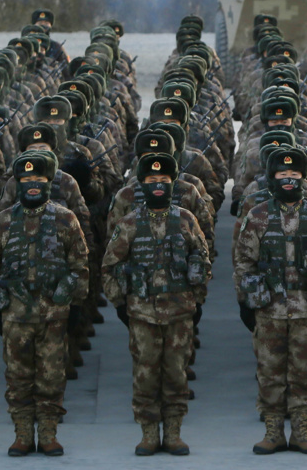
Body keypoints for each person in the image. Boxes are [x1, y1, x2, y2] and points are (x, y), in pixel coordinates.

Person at [233, 146, 307, 455]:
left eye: (294, 174)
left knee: (303, 372)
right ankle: (273, 432)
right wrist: (246, 302)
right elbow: (243, 262)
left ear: (303, 178)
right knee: (270, 372)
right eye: (282, 175)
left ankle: (301, 431)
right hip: (268, 310)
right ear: (272, 178)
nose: (288, 180)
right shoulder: (257, 216)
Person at [0, 151, 89, 457]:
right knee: (18, 378)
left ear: (48, 182)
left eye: (38, 179)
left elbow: (80, 265)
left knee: (51, 376)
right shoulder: (3, 222)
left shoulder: (65, 218)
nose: (32, 185)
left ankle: (49, 434)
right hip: (15, 316)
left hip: (53, 315)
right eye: (26, 179)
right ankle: (22, 434)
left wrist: (72, 301)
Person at [102, 153, 210, 456]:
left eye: (164, 180)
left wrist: (196, 300)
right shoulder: (129, 223)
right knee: (145, 374)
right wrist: (121, 305)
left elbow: (201, 260)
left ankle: (173, 433)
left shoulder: (187, 220)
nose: (158, 185)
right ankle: (149, 433)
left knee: (176, 373)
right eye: (152, 180)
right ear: (142, 184)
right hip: (141, 314)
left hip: (179, 313)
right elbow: (110, 266)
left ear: (172, 183)